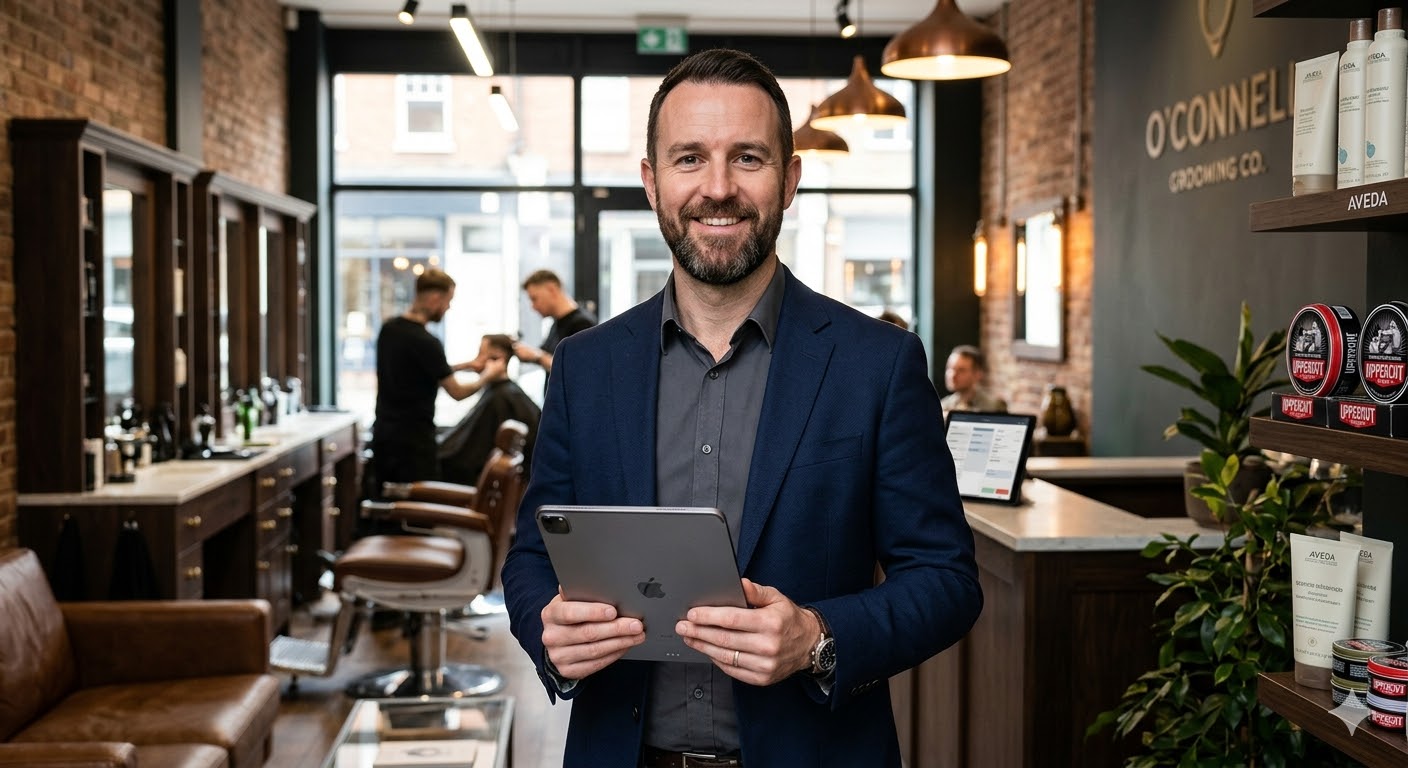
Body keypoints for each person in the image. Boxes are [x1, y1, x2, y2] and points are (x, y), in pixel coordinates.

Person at [502, 48, 981, 768]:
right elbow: (533, 555)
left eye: (748, 158)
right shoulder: (584, 366)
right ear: (652, 182)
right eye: (689, 158)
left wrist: (818, 637)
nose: (718, 188)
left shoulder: (878, 365)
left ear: (790, 179)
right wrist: (550, 631)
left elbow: (946, 578)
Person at [371, 269, 507, 485]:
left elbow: (414, 371)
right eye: (448, 301)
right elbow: (457, 392)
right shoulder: (427, 342)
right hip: (413, 445)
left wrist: (466, 366)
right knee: (417, 502)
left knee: (387, 500)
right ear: (435, 298)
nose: (448, 307)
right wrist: (488, 376)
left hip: (383, 436)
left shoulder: (389, 330)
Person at [437, 333, 541, 485]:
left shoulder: (502, 397)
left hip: (464, 475)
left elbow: (471, 454)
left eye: (480, 353)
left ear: (497, 357)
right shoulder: (504, 392)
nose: (476, 359)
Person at [513, 269, 596, 374]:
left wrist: (538, 357)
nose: (533, 307)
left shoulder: (582, 324)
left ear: (551, 289)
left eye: (534, 299)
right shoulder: (556, 323)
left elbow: (578, 370)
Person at [941, 344, 1007, 415]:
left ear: (978, 374)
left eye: (961, 370)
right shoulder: (943, 406)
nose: (952, 375)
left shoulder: (994, 407)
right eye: (950, 368)